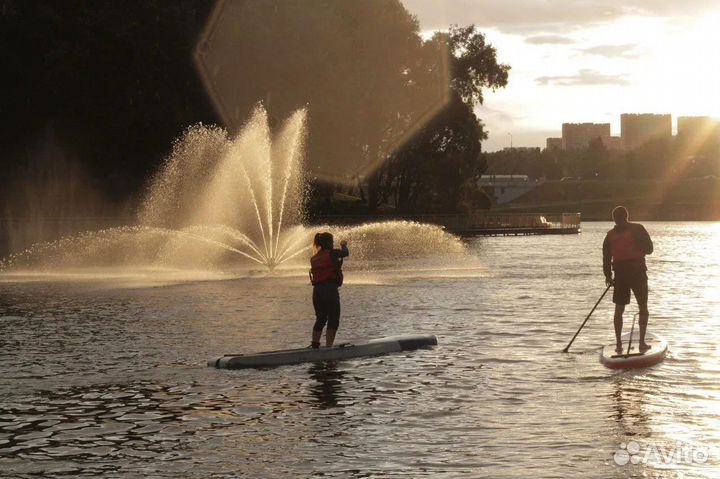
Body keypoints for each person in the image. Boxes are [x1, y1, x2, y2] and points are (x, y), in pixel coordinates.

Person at [602, 206, 653, 354]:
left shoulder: (609, 235)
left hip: (620, 276)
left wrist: (608, 276)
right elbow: (649, 249)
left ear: (614, 219)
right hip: (638, 274)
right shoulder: (638, 229)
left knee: (619, 310)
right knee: (643, 308)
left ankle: (618, 344)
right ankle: (642, 343)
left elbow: (606, 258)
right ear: (627, 216)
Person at [309, 232, 349, 348]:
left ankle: (315, 345)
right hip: (329, 290)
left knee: (321, 318)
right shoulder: (332, 253)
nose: (333, 244)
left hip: (317, 292)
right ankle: (329, 347)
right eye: (332, 241)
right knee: (333, 318)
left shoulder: (314, 258)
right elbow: (345, 253)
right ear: (328, 243)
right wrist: (343, 244)